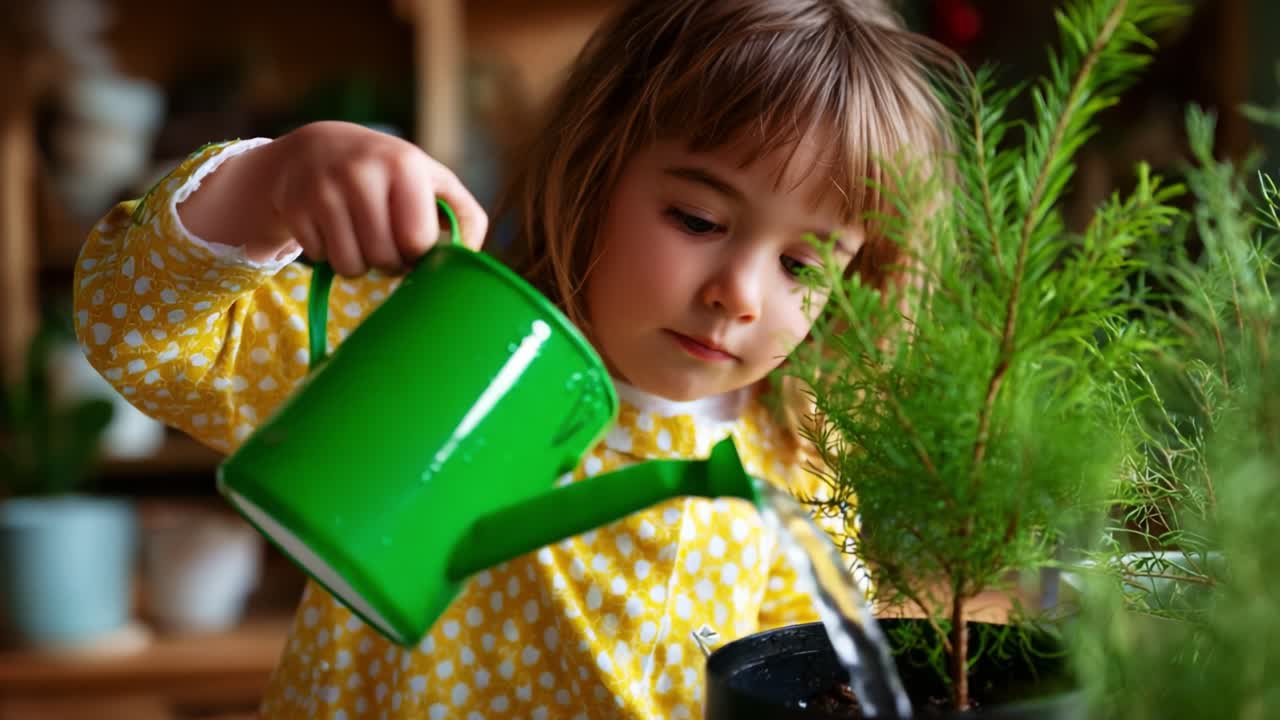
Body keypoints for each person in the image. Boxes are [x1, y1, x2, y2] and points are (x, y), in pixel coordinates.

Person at [73, 0, 952, 717]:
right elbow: (136, 333)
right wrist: (270, 184)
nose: (740, 294)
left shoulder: (795, 460)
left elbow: (807, 686)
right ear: (595, 170)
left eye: (802, 264)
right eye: (697, 220)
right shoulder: (437, 347)